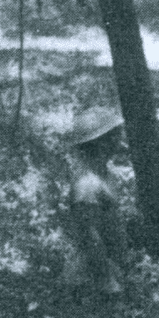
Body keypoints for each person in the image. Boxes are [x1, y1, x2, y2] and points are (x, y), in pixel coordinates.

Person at [61, 108, 129, 298]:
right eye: (114, 134)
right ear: (101, 143)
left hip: (106, 271)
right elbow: (90, 236)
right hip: (91, 279)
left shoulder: (103, 175)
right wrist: (107, 280)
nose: (120, 137)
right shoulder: (87, 185)